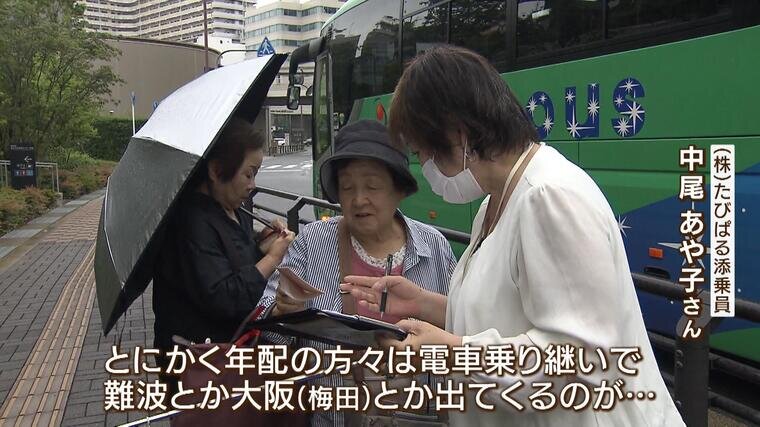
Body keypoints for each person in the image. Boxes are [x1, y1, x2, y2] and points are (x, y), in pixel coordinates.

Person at [340, 46, 685, 426]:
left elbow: (579, 359)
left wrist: (453, 354)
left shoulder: (549, 197)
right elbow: (509, 312)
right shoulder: (496, 201)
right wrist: (424, 304)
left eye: (423, 152)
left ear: (459, 135)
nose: (425, 167)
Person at [257, 120, 456, 427]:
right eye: (347, 187)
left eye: (372, 186)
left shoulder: (435, 247)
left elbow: (464, 330)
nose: (359, 199)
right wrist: (281, 312)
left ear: (399, 189)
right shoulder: (312, 242)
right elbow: (266, 328)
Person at [152, 117, 295, 390]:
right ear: (217, 171)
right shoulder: (190, 222)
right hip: (198, 367)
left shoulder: (231, 207)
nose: (252, 185)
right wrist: (273, 258)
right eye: (248, 174)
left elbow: (235, 260)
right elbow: (226, 297)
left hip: (227, 360)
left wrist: (261, 244)